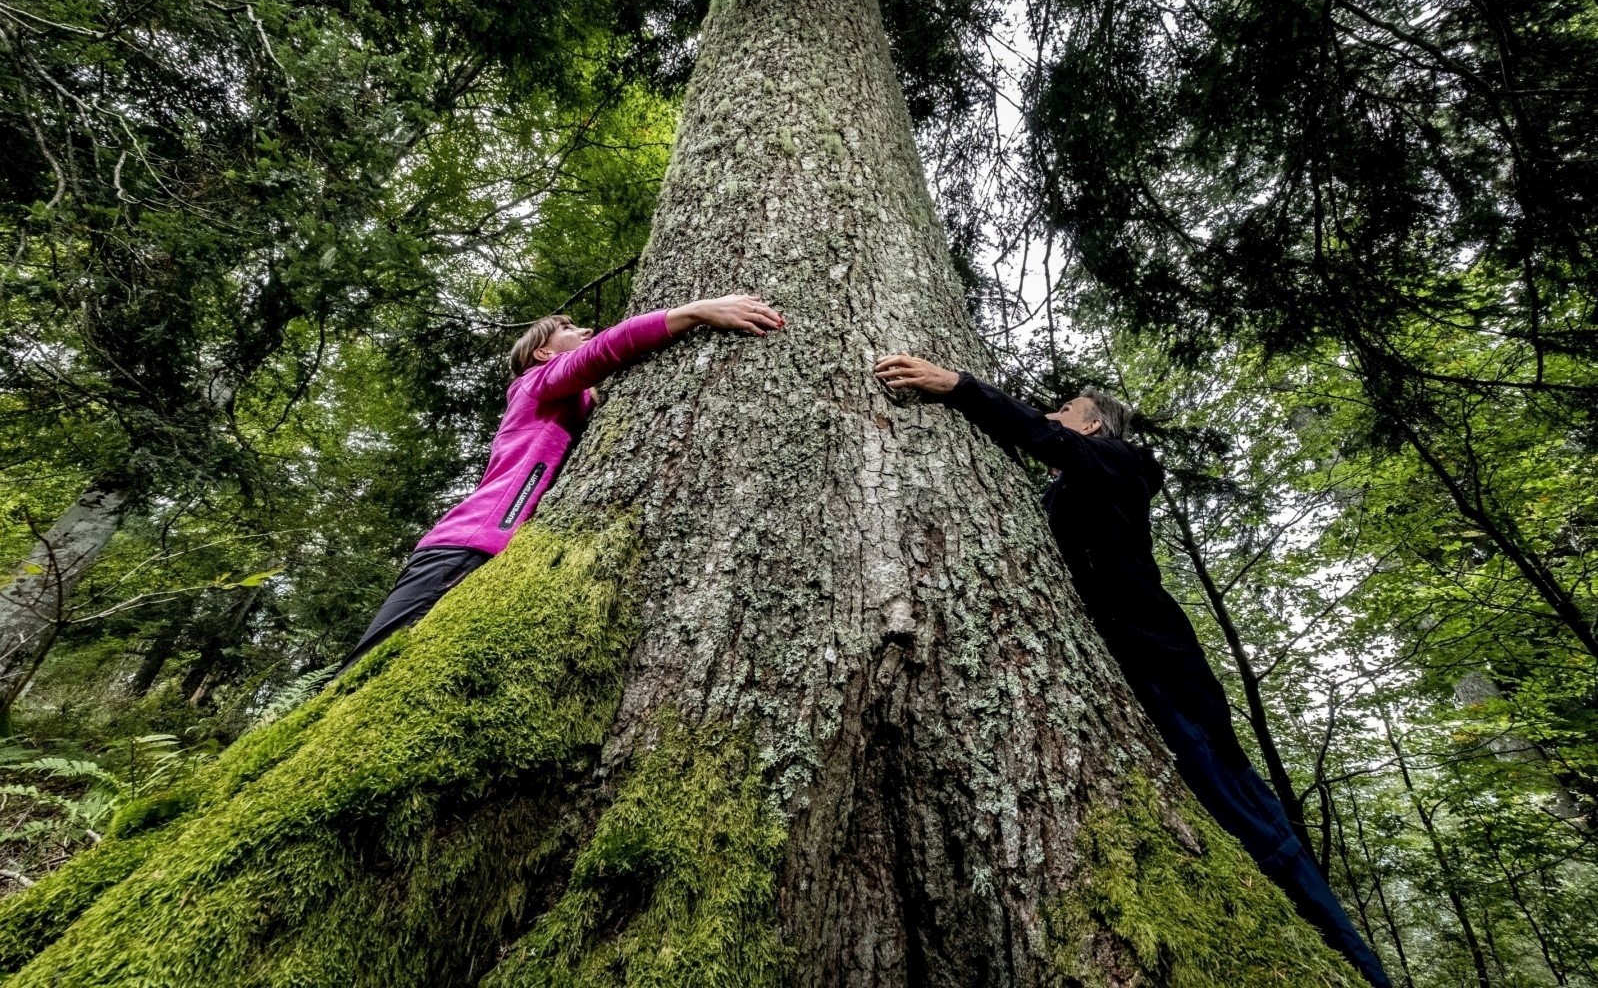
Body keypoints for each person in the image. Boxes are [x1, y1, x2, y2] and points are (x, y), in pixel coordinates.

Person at [873, 354, 1391, 988]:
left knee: (1249, 816)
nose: (1049, 415)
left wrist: (958, 386)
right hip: (1126, 662)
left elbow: (1041, 436)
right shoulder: (1066, 487)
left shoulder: (1125, 464)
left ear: (1091, 428)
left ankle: (1358, 968)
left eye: (1064, 411)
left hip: (1161, 663)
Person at [339, 294, 785, 673]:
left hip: (498, 552)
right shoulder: (534, 384)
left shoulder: (566, 405)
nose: (586, 330)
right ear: (543, 355)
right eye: (569, 328)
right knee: (369, 673)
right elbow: (605, 351)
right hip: (466, 546)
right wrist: (698, 311)